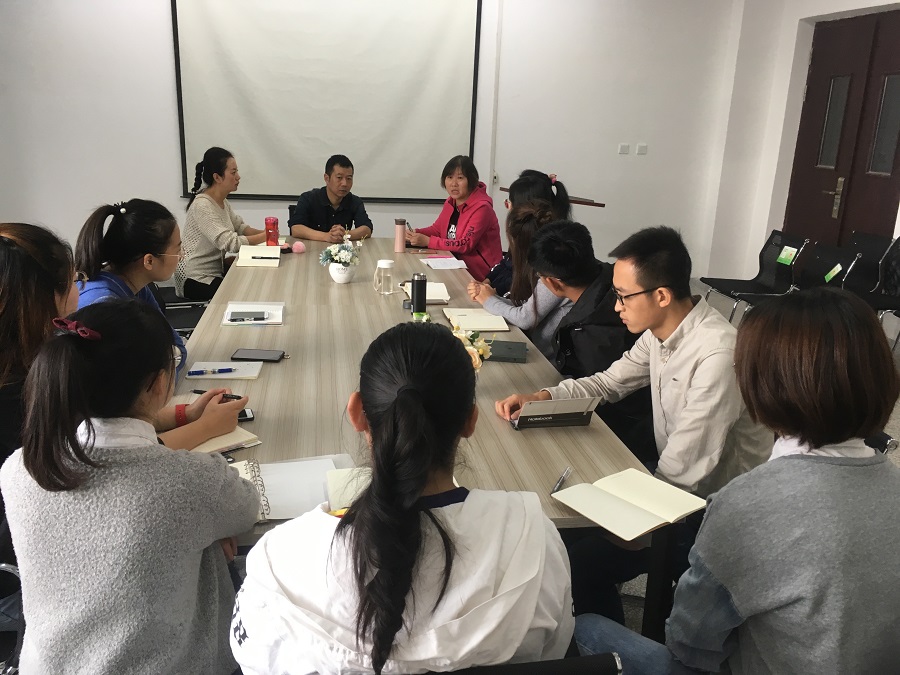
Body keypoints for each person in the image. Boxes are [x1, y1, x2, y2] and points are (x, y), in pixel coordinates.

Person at [574, 288, 900, 673]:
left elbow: (690, 643)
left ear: (760, 384)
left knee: (585, 628)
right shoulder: (891, 483)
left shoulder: (748, 503)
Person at [231, 322, 574, 674]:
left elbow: (255, 662)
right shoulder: (535, 541)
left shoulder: (277, 564)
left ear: (357, 413)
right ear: (470, 420)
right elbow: (554, 651)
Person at [496, 226, 771, 621]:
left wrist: (631, 527)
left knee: (575, 563)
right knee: (565, 537)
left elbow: (684, 469)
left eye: (624, 296)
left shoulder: (717, 355)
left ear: (661, 295)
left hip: (711, 512)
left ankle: (611, 645)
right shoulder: (660, 333)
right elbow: (608, 383)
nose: (616, 307)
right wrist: (543, 397)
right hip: (673, 483)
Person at [0, 299, 260, 674]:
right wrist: (207, 532)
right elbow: (246, 508)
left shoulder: (18, 468)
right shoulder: (188, 481)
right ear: (159, 383)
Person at [75, 199, 188, 372]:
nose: (181, 256)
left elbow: (173, 345)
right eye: (177, 250)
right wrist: (168, 363)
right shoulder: (104, 306)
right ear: (149, 261)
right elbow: (143, 377)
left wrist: (169, 362)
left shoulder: (137, 286)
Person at [467, 201, 574, 361]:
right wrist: (489, 296)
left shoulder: (553, 271)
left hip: (544, 359)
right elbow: (526, 306)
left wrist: (489, 300)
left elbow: (525, 318)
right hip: (534, 348)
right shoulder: (546, 264)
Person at [177, 146, 268, 300]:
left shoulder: (222, 201)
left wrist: (270, 234)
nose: (238, 177)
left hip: (215, 271)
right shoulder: (202, 206)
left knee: (251, 277)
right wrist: (266, 236)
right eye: (233, 172)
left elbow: (240, 227)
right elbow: (230, 243)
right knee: (245, 292)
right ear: (217, 177)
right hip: (196, 279)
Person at [406, 155, 502, 281]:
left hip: (482, 276)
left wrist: (428, 241)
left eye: (460, 178)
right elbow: (438, 230)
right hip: (455, 267)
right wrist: (415, 233)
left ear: (471, 180)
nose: (454, 184)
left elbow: (465, 244)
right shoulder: (451, 202)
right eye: (449, 177)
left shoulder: (482, 208)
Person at [488, 170, 571, 295]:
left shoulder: (548, 247)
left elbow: (523, 287)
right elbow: (507, 263)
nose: (508, 208)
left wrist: (491, 296)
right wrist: (486, 283)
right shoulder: (525, 232)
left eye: (509, 203)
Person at [288, 154, 373, 242]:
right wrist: (326, 236)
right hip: (312, 248)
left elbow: (367, 229)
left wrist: (345, 235)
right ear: (327, 178)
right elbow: (296, 228)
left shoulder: (355, 201)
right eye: (339, 178)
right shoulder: (308, 198)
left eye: (349, 178)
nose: (344, 183)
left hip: (341, 250)